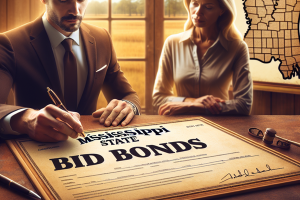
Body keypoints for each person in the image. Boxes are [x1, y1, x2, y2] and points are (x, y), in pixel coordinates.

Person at [0, 0, 141, 142]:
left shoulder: (102, 38)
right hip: (35, 151)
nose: (75, 10)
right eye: (64, 0)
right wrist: (26, 120)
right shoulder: (10, 43)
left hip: (91, 150)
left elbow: (128, 95)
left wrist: (129, 106)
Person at [153, 0, 253, 116]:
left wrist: (194, 107)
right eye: (194, 3)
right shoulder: (172, 43)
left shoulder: (237, 48)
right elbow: (158, 98)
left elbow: (244, 104)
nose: (198, 12)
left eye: (208, 7)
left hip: (219, 125)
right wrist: (192, 102)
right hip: (180, 125)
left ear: (222, 10)